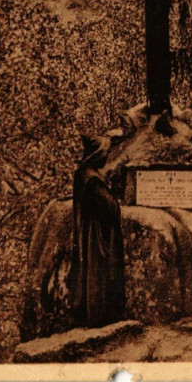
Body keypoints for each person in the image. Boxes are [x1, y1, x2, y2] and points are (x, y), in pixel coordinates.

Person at [67, 135, 126, 327]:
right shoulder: (91, 178)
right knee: (98, 269)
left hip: (91, 228)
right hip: (96, 233)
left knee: (91, 269)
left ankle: (93, 313)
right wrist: (114, 202)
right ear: (95, 155)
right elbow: (109, 207)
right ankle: (99, 314)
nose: (106, 156)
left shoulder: (83, 173)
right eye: (104, 153)